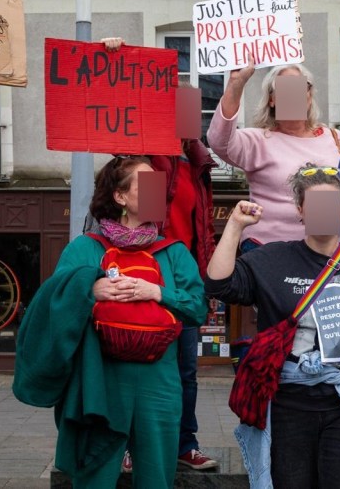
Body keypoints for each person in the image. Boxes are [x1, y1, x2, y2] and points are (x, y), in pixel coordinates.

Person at [205, 164, 340, 488]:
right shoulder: (273, 259)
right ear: (300, 210)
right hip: (290, 405)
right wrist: (235, 225)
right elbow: (218, 284)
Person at [13, 156, 207, 489]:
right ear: (120, 196)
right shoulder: (85, 248)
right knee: (96, 476)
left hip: (159, 383)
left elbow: (198, 308)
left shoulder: (173, 251)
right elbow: (52, 305)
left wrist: (157, 292)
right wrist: (89, 289)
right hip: (99, 381)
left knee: (157, 479)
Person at [101, 37, 220, 470]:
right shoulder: (148, 159)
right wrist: (114, 56)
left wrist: (204, 279)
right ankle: (131, 445)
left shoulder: (197, 164)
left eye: (192, 109)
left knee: (185, 368)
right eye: (177, 109)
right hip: (145, 266)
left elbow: (202, 228)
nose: (187, 116)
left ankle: (183, 444)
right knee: (137, 364)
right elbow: (114, 126)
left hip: (181, 276)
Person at [207, 62, 340, 250]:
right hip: (269, 248)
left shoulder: (334, 138)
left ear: (309, 96)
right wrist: (236, 83)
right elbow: (219, 141)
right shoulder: (258, 140)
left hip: (328, 250)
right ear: (272, 100)